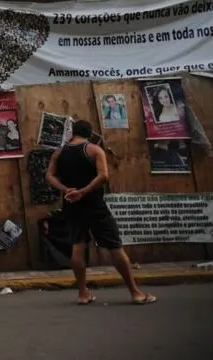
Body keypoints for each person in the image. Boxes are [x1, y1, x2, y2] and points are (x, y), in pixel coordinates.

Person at [46, 119, 157, 306]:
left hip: (71, 205)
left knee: (77, 247)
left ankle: (83, 293)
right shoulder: (94, 150)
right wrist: (83, 192)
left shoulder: (59, 153)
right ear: (89, 134)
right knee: (114, 246)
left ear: (73, 132)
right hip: (94, 205)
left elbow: (49, 176)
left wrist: (66, 190)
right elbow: (104, 175)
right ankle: (136, 293)